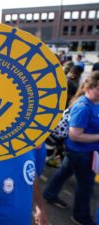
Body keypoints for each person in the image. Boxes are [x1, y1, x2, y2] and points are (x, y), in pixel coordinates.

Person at [43, 72, 99, 225]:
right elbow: (75, 135)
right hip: (80, 152)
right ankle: (80, 216)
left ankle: (49, 193)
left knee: (65, 172)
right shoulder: (83, 107)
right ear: (89, 87)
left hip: (80, 151)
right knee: (86, 185)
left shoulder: (92, 102)